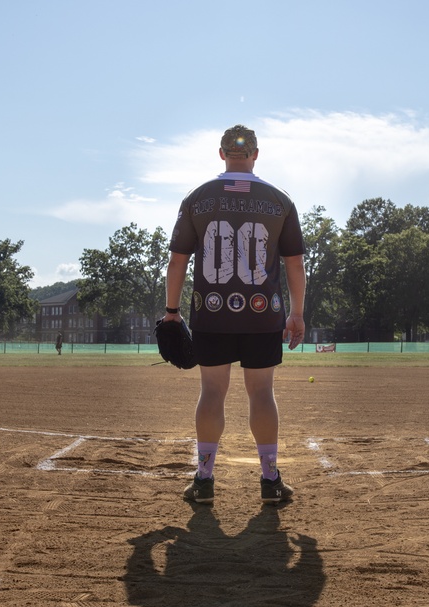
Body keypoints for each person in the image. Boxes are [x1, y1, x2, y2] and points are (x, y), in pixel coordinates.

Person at [165, 124, 306, 506]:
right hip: (263, 315)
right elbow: (294, 265)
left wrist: (172, 312)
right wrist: (297, 314)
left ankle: (205, 481)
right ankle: (270, 480)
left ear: (221, 153)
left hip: (212, 313)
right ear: (256, 155)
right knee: (261, 392)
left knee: (212, 391)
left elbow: (177, 261)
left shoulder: (197, 198)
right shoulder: (279, 201)